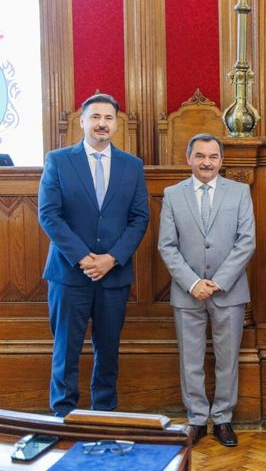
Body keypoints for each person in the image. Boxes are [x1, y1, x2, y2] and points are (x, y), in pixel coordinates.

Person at [38, 93, 149, 417]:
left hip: (113, 275)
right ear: (82, 121)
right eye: (96, 117)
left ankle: (104, 416)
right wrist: (83, 257)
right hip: (69, 273)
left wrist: (111, 258)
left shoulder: (132, 166)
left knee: (108, 351)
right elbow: (49, 214)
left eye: (109, 118)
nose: (102, 123)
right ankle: (63, 417)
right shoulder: (59, 160)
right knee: (66, 350)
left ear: (116, 124)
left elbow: (139, 218)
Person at [158, 133, 256, 447]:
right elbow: (167, 246)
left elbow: (246, 242)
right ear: (189, 158)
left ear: (221, 160)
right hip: (188, 291)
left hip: (229, 290)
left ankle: (224, 418)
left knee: (228, 358)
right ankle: (197, 418)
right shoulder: (172, 194)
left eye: (213, 157)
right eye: (200, 156)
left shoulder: (240, 192)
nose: (206, 162)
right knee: (191, 358)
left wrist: (219, 281)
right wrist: (193, 283)